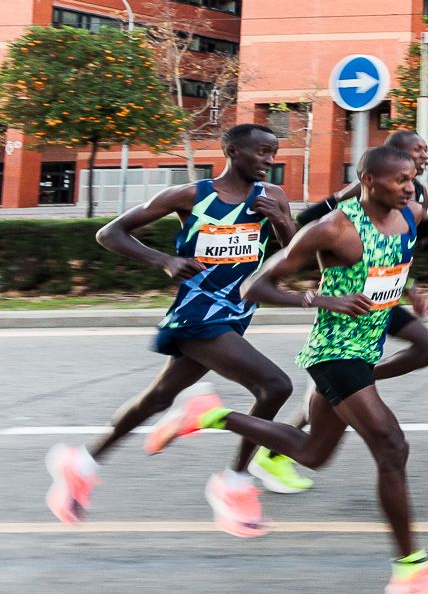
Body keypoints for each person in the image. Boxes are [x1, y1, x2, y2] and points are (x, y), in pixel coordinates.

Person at [141, 144, 428, 594]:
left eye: (411, 179)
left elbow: (390, 265)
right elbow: (254, 285)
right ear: (368, 181)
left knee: (313, 454)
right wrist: (320, 300)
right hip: (335, 354)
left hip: (365, 348)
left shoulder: (407, 219)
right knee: (392, 447)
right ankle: (411, 571)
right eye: (400, 180)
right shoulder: (333, 228)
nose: (410, 186)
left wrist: (412, 291)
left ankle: (213, 415)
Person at [45, 124, 296, 537]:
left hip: (237, 312)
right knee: (275, 386)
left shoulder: (272, 198)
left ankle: (81, 464)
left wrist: (283, 222)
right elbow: (109, 233)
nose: (269, 161)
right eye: (262, 153)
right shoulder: (193, 195)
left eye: (274, 153)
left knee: (159, 397)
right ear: (232, 150)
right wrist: (163, 260)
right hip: (198, 315)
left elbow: (291, 256)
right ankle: (233, 483)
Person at [258, 129, 428, 494]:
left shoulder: (413, 202)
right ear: (384, 164)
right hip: (350, 313)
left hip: (379, 306)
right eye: (417, 153)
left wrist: (412, 286)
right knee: (379, 437)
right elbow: (315, 228)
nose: (423, 159)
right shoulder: (355, 206)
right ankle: (348, 389)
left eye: (420, 162)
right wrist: (321, 291)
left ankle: (351, 387)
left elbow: (396, 252)